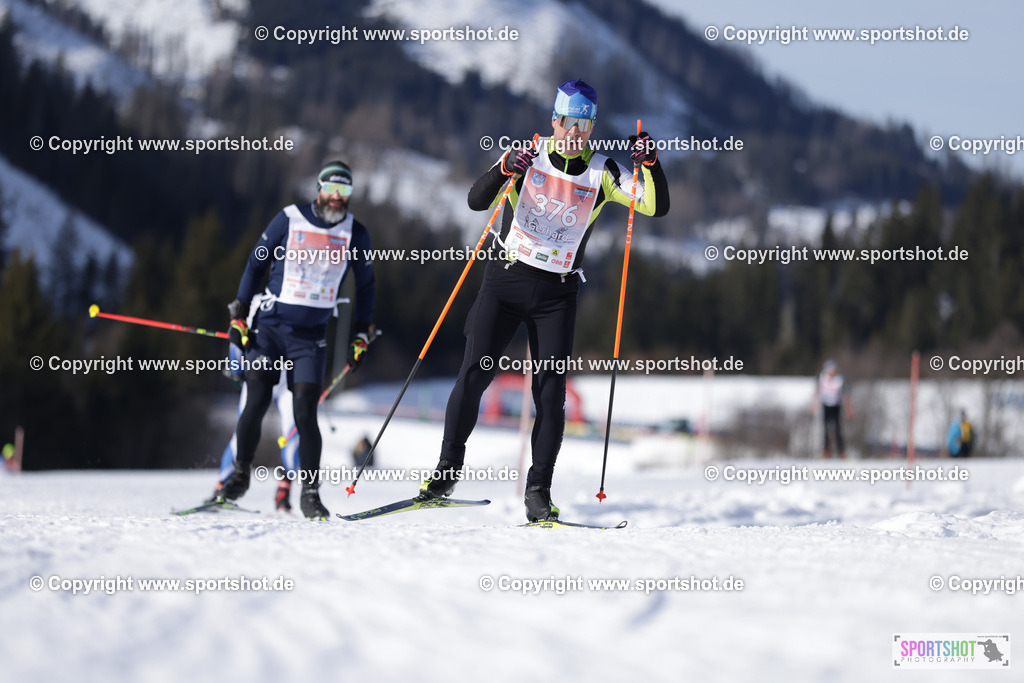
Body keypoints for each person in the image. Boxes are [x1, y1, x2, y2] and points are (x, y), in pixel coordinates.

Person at [417, 79, 669, 521]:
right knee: (474, 375)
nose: (576, 132)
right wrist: (503, 170)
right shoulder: (526, 154)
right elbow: (476, 200)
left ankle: (538, 492)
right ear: (554, 121)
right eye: (569, 122)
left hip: (557, 294)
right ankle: (446, 471)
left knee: (551, 395)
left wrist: (650, 163)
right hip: (506, 279)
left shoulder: (604, 171)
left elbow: (653, 205)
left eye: (585, 125)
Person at [216, 160, 375, 520]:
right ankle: (239, 476)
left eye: (345, 190)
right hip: (269, 330)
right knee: (255, 402)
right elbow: (256, 264)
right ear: (318, 189)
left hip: (310, 339)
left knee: (305, 413)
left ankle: (310, 495)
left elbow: (366, 287)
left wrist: (361, 334)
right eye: (331, 189)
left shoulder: (356, 233)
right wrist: (239, 314)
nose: (337, 197)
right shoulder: (289, 218)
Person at [207, 342, 298, 511]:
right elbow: (236, 339)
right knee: (242, 433)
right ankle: (221, 487)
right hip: (260, 371)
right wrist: (236, 369)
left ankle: (283, 492)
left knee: (293, 433)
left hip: (289, 379)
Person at [814, 359, 853, 458]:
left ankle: (841, 452)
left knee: (837, 429)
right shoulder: (822, 377)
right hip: (826, 405)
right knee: (825, 429)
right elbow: (817, 392)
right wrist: (814, 405)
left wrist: (848, 409)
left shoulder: (840, 379)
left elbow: (846, 394)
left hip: (836, 406)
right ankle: (826, 451)